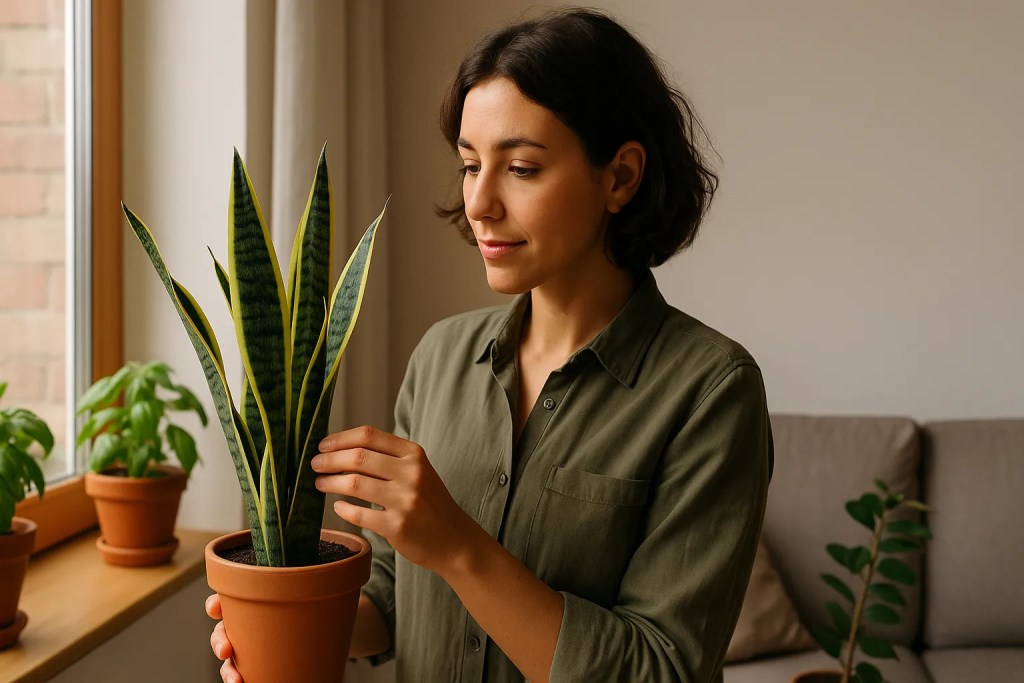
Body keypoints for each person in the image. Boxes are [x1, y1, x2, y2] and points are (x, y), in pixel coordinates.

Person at [208, 7, 772, 682]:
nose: (479, 202)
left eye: (522, 168)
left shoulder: (711, 391)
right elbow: (391, 597)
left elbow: (660, 669)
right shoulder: (441, 357)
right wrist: (279, 626)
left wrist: (458, 546)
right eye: (471, 165)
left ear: (620, 177)